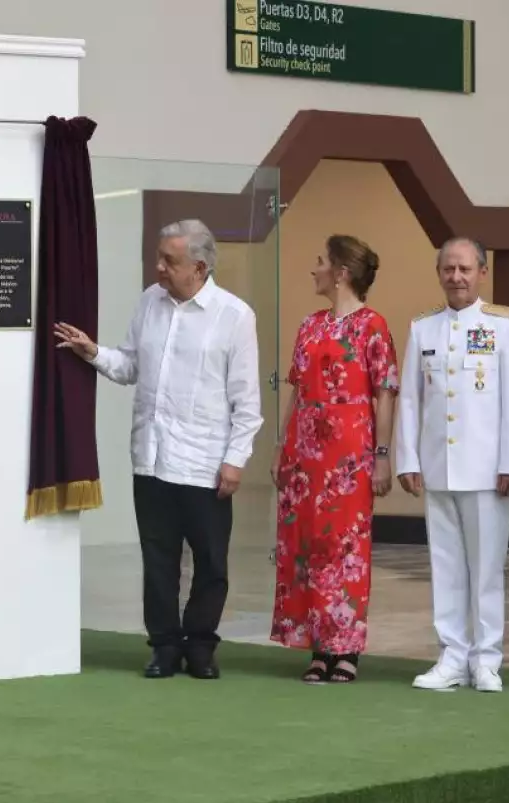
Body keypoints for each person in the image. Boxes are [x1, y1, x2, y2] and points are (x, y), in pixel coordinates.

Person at [55, 219, 262, 680]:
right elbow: (130, 364)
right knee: (158, 559)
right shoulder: (150, 302)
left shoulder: (234, 316)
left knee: (210, 561)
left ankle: (201, 645)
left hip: (207, 462)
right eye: (160, 258)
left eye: (170, 260)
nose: (159, 267)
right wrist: (93, 352)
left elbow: (246, 401)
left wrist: (236, 460)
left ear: (200, 266)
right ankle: (165, 646)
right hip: (151, 457)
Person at [395, 238, 509, 693]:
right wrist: (408, 458)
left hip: (488, 470)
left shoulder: (506, 327)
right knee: (446, 566)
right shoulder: (423, 328)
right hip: (439, 466)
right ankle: (451, 655)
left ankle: (486, 659)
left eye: (465, 269)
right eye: (448, 268)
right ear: (438, 272)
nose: (456, 277)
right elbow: (411, 401)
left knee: (487, 568)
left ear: (482, 273)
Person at [269, 235, 399, 683]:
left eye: (321, 261)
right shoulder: (309, 325)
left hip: (349, 453)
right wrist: (282, 445)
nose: (315, 269)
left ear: (342, 272)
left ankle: (344, 648)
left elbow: (385, 393)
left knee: (344, 548)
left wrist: (382, 455)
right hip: (305, 452)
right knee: (306, 544)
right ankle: (315, 646)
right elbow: (297, 389)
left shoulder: (372, 326)